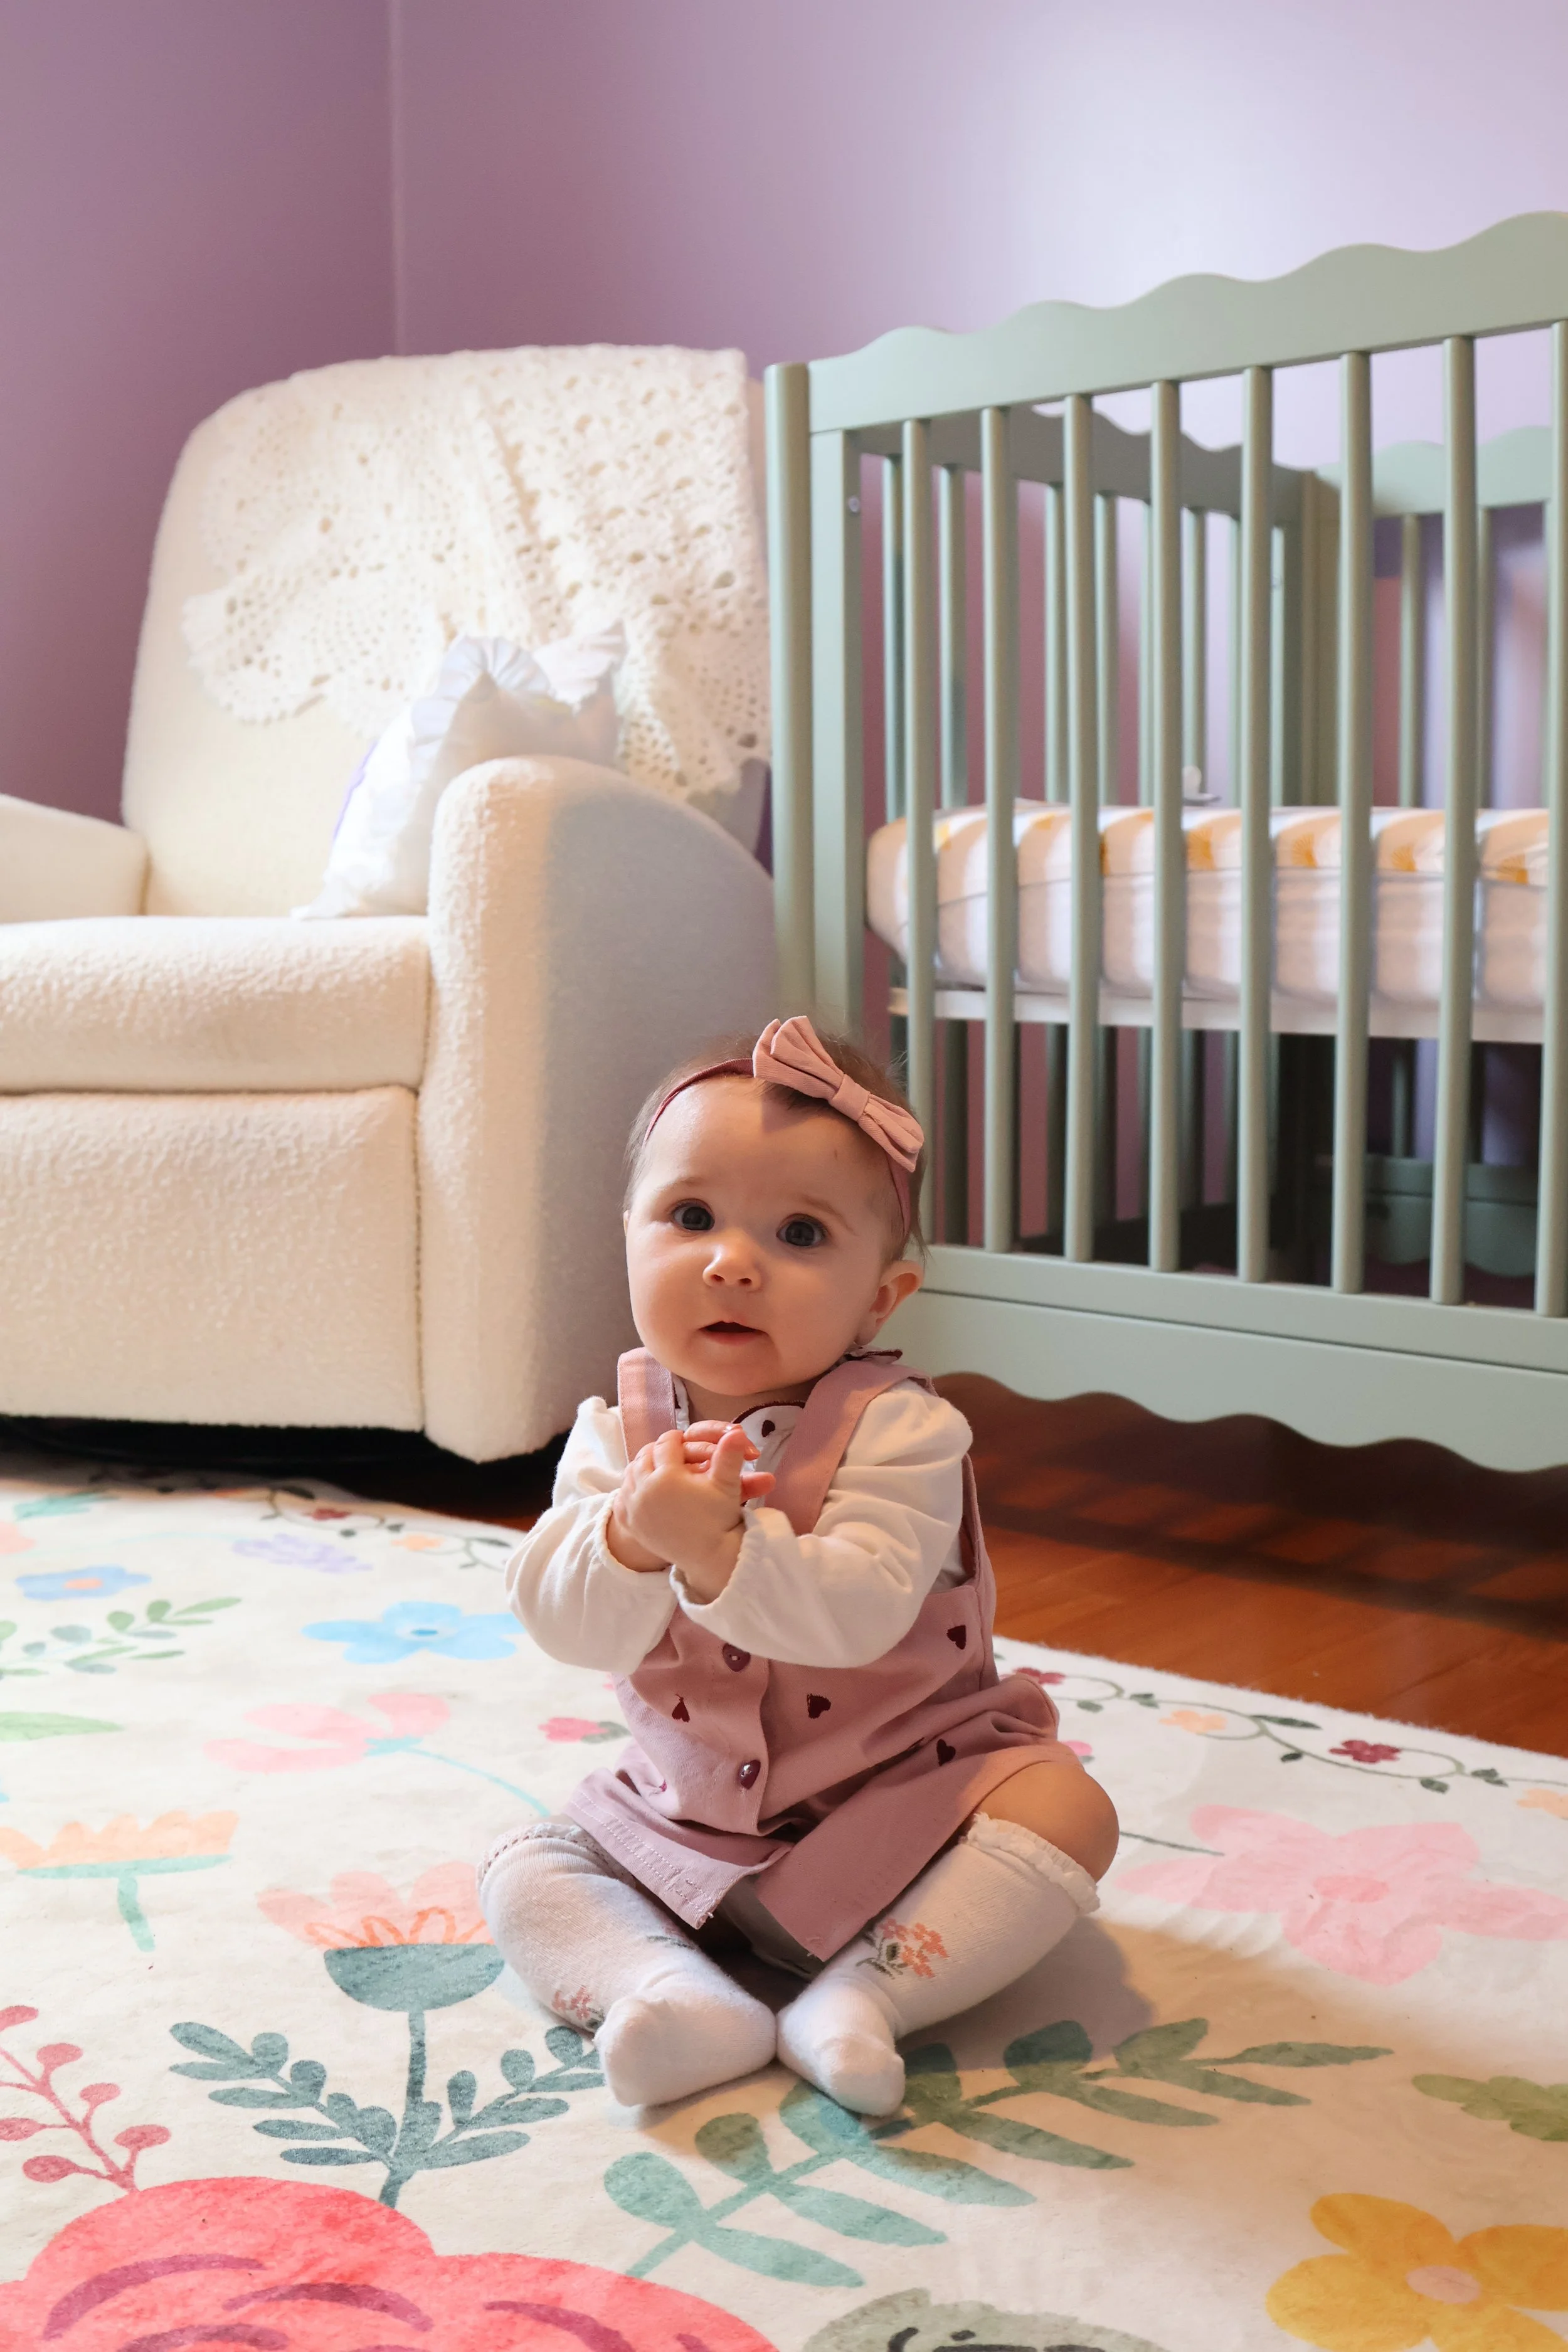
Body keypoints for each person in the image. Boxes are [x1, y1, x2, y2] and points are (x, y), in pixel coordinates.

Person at [479, 1015, 1118, 2115]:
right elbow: (565, 1623)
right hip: (680, 1827)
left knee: (1070, 1811)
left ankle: (867, 1997)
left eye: (801, 1233)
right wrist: (630, 1537)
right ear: (627, 1235)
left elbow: (858, 1614)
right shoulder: (613, 1434)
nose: (733, 1260)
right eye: (691, 1217)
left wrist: (722, 1550)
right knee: (523, 1867)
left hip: (904, 1809)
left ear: (882, 1296)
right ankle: (672, 1992)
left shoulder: (905, 1432)